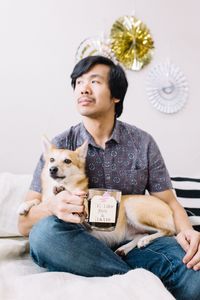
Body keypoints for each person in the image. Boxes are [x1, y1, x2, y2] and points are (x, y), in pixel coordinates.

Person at [18, 55, 200, 299]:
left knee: (194, 275)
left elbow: (168, 201)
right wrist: (51, 206)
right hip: (81, 243)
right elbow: (24, 224)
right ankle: (134, 282)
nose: (83, 87)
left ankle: (120, 276)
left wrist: (187, 231)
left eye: (94, 81)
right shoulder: (59, 148)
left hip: (138, 241)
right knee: (43, 236)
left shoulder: (143, 143)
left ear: (116, 96)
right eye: (79, 82)